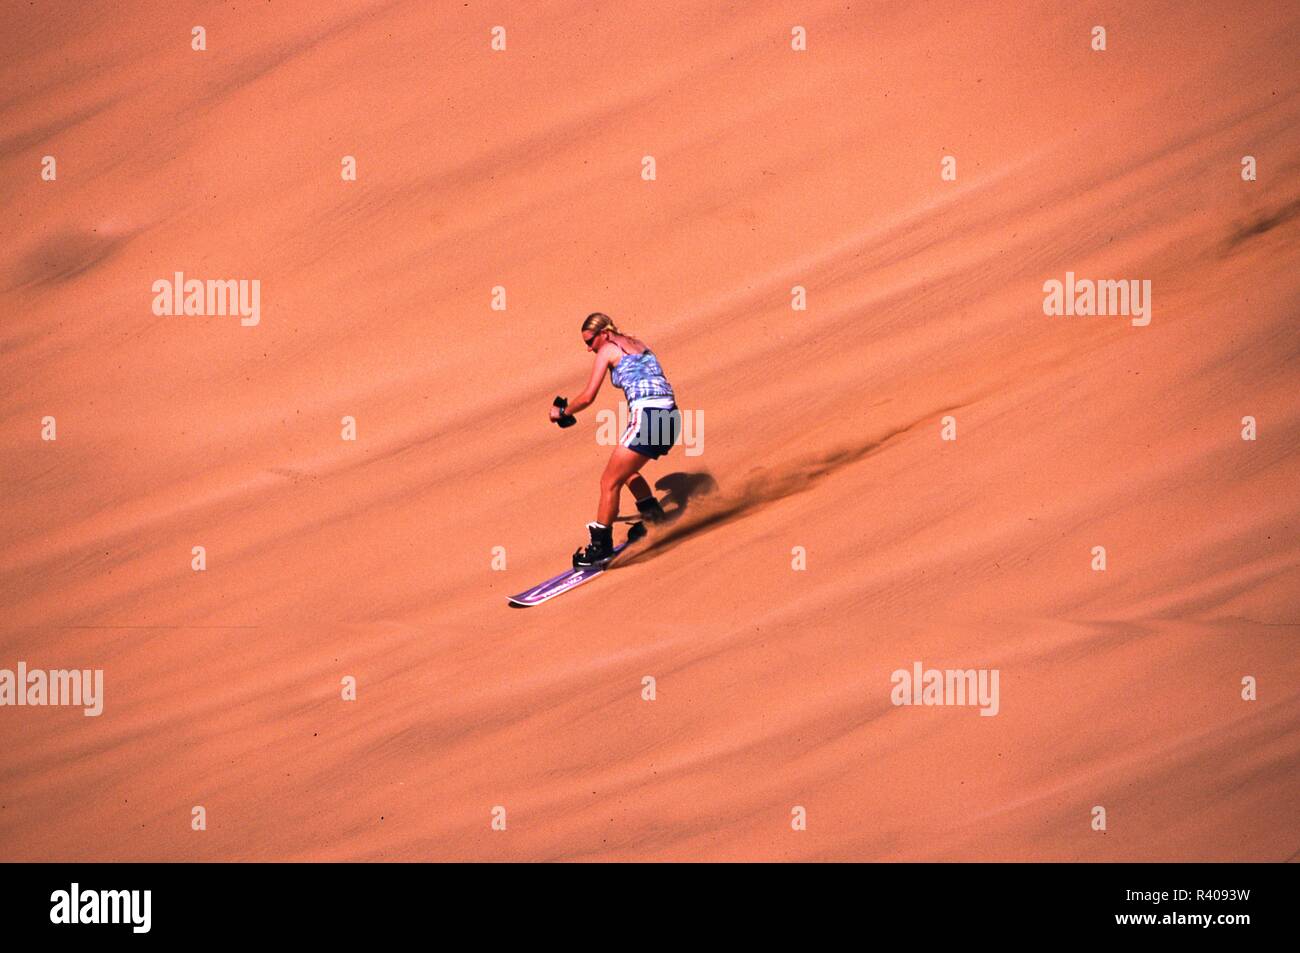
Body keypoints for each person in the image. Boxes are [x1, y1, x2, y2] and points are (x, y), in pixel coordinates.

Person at [550, 312, 680, 567]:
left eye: (590, 341)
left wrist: (563, 412)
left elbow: (588, 396)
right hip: (670, 418)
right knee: (625, 472)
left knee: (609, 481)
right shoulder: (639, 343)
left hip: (650, 417)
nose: (589, 349)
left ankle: (601, 547)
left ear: (604, 333)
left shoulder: (607, 350)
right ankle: (654, 515)